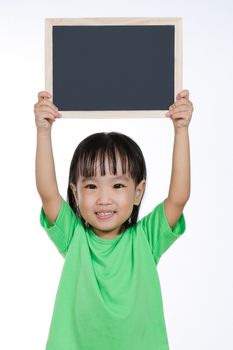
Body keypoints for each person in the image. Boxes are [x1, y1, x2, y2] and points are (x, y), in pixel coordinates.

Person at [34, 90, 193, 350]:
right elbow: (47, 192)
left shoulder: (146, 239)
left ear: (137, 193)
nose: (104, 199)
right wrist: (43, 132)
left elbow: (178, 197)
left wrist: (181, 131)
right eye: (92, 186)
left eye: (118, 185)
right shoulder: (74, 238)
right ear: (75, 192)